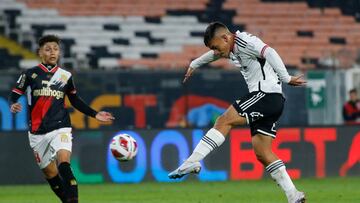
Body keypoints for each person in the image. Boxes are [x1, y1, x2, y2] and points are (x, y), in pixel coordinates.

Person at [168, 22, 307, 203]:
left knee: (223, 120)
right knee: (262, 152)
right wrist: (195, 64)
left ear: (226, 38)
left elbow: (269, 52)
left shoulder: (246, 41)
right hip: (272, 100)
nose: (216, 52)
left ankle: (193, 160)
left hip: (265, 95)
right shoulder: (230, 46)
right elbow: (213, 55)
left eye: (216, 47)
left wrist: (286, 77)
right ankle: (294, 195)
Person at [9, 35, 114, 203]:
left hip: (61, 127)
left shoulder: (65, 76)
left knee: (63, 161)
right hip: (37, 133)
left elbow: (74, 100)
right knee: (50, 174)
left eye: (55, 49)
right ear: (40, 52)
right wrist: (13, 103)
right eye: (48, 49)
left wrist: (95, 114)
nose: (52, 52)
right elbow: (15, 93)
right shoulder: (30, 74)